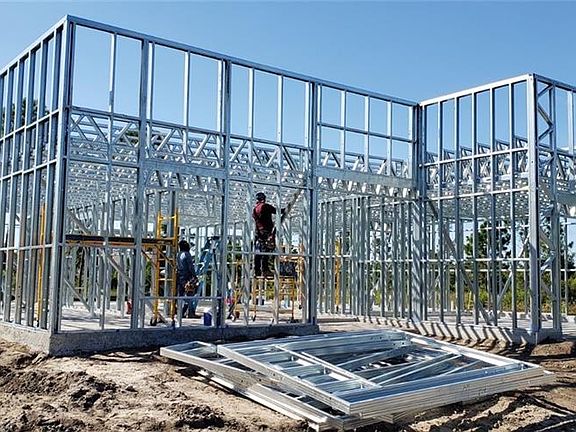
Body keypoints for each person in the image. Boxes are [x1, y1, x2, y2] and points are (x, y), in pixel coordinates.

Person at [252, 192, 284, 277]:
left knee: (258, 252)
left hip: (258, 233)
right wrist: (287, 209)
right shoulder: (265, 206)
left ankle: (257, 271)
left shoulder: (255, 209)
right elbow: (277, 211)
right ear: (264, 199)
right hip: (265, 232)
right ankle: (265, 270)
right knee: (266, 251)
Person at [177, 239, 199, 318]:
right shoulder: (187, 254)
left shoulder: (179, 254)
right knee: (190, 294)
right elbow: (190, 267)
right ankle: (190, 313)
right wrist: (195, 276)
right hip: (187, 277)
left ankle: (180, 313)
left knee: (181, 295)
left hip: (180, 277)